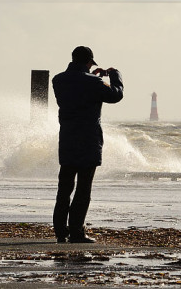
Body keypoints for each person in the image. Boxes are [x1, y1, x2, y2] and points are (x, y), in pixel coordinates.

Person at [52, 46, 124, 243]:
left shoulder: (58, 80)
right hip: (88, 141)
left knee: (64, 188)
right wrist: (114, 75)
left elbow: (78, 88)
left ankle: (60, 231)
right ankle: (76, 231)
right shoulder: (94, 82)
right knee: (83, 189)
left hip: (67, 139)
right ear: (88, 62)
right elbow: (115, 95)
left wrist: (93, 77)